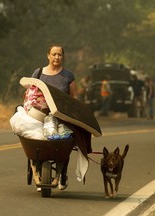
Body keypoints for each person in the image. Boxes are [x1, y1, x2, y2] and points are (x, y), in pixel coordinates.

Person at [30, 45, 91, 191]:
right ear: (48, 55)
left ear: (62, 57)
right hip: (41, 115)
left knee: (65, 142)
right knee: (38, 141)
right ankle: (38, 171)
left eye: (59, 55)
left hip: (62, 116)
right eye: (54, 54)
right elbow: (30, 93)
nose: (57, 57)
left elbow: (73, 99)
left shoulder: (68, 76)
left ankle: (62, 173)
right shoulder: (38, 73)